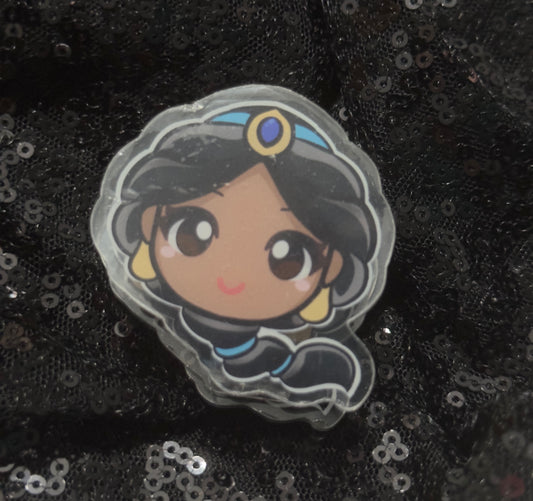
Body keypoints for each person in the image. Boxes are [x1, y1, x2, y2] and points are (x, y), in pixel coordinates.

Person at [110, 101, 381, 398]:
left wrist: (305, 368)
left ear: (332, 267)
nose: (232, 277)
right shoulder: (144, 320)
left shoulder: (279, 359)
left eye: (287, 259)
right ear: (149, 221)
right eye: (192, 233)